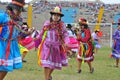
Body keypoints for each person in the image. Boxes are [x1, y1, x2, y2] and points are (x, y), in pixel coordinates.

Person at [37, 6, 68, 80]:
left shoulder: (62, 25)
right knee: (47, 64)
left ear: (60, 17)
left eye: (58, 15)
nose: (56, 17)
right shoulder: (47, 23)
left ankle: (49, 76)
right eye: (55, 15)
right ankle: (46, 78)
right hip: (47, 46)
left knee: (53, 63)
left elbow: (65, 34)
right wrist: (37, 37)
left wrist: (66, 42)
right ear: (52, 15)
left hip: (57, 47)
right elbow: (42, 31)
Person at [0, 0, 25, 80]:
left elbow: (19, 35)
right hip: (2, 45)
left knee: (6, 67)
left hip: (11, 46)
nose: (19, 12)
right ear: (12, 8)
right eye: (17, 9)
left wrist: (27, 33)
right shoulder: (3, 16)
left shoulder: (19, 21)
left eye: (20, 10)